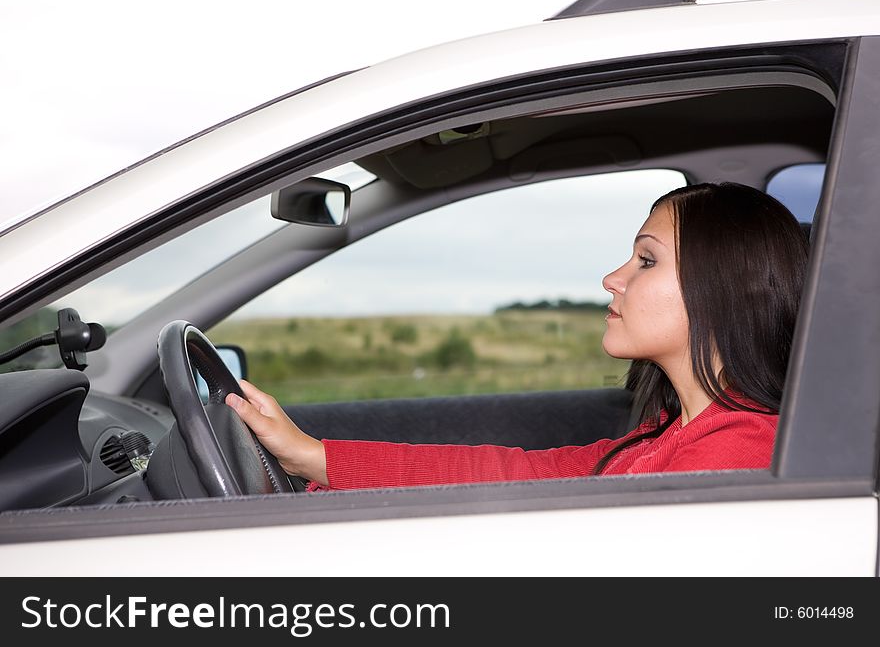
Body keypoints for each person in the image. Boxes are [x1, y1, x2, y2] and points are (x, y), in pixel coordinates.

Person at [225, 182, 809, 491]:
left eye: (646, 262)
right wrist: (317, 458)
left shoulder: (731, 454)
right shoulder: (670, 436)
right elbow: (518, 473)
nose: (612, 279)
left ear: (723, 288)